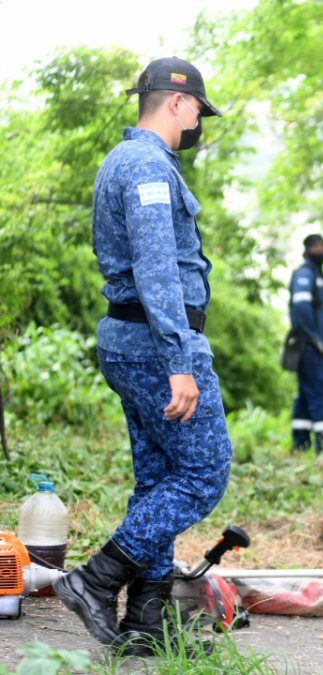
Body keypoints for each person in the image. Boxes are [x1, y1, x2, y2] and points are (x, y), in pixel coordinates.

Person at [53, 57, 231, 656]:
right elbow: (157, 268)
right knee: (205, 472)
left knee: (157, 478)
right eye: (197, 112)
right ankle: (96, 580)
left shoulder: (120, 161)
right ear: (178, 103)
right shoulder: (149, 167)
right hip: (158, 346)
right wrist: (180, 359)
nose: (196, 123)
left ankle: (145, 620)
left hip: (129, 341)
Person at [288, 233, 323, 453]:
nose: (321, 249)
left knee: (307, 395)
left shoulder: (318, 275)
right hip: (310, 349)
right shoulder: (305, 274)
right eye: (316, 246)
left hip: (316, 348)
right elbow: (300, 307)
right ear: (306, 250)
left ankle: (300, 446)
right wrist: (315, 339)